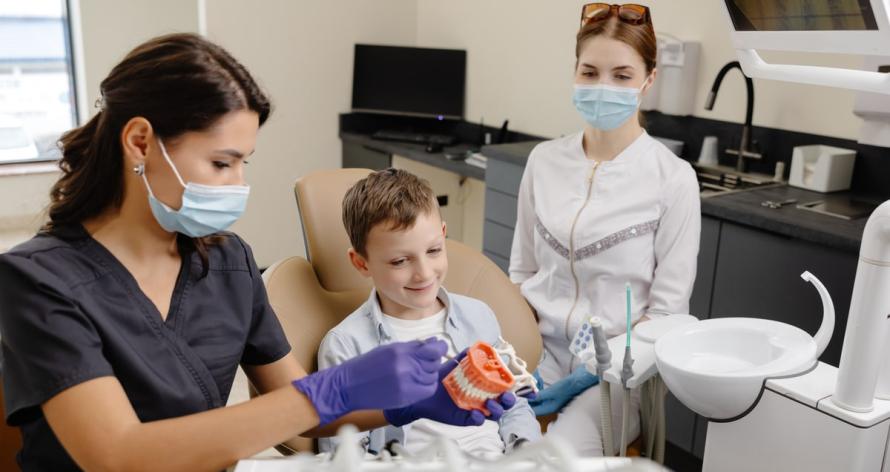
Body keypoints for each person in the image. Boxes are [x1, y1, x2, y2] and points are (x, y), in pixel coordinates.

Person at [0, 33, 511, 471]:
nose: (238, 184)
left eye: (245, 162)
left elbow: (302, 412)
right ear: (140, 142)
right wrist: (333, 387)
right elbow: (117, 455)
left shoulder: (228, 263)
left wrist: (406, 408)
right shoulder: (39, 280)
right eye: (222, 163)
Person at [510, 3, 700, 456]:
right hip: (538, 352)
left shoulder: (673, 180)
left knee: (558, 456)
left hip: (616, 372)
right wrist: (518, 352)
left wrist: (597, 369)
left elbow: (668, 314)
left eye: (621, 75)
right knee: (485, 440)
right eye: (590, 72)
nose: (602, 87)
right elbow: (521, 273)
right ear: (574, 71)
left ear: (648, 80)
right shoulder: (543, 162)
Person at [317, 169, 542, 457]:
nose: (423, 273)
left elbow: (513, 406)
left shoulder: (477, 316)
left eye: (434, 250)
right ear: (362, 263)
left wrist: (524, 449)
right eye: (400, 261)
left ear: (444, 235)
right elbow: (344, 455)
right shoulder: (347, 345)